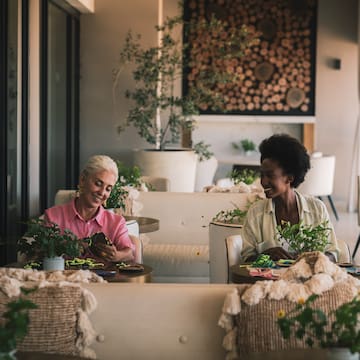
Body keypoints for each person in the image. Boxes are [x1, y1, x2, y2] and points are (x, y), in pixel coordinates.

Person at [240, 134, 339, 262]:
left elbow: (333, 254)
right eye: (262, 175)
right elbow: (246, 259)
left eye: (270, 175)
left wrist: (316, 259)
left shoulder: (317, 209)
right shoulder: (256, 213)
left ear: (290, 177)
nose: (263, 182)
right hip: (270, 282)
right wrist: (265, 255)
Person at [44, 155, 135, 262]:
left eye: (108, 189)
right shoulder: (52, 216)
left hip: (105, 278)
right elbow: (40, 252)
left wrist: (117, 256)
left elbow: (130, 254)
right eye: (98, 183)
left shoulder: (116, 222)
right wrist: (66, 246)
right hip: (64, 277)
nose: (102, 192)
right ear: (82, 180)